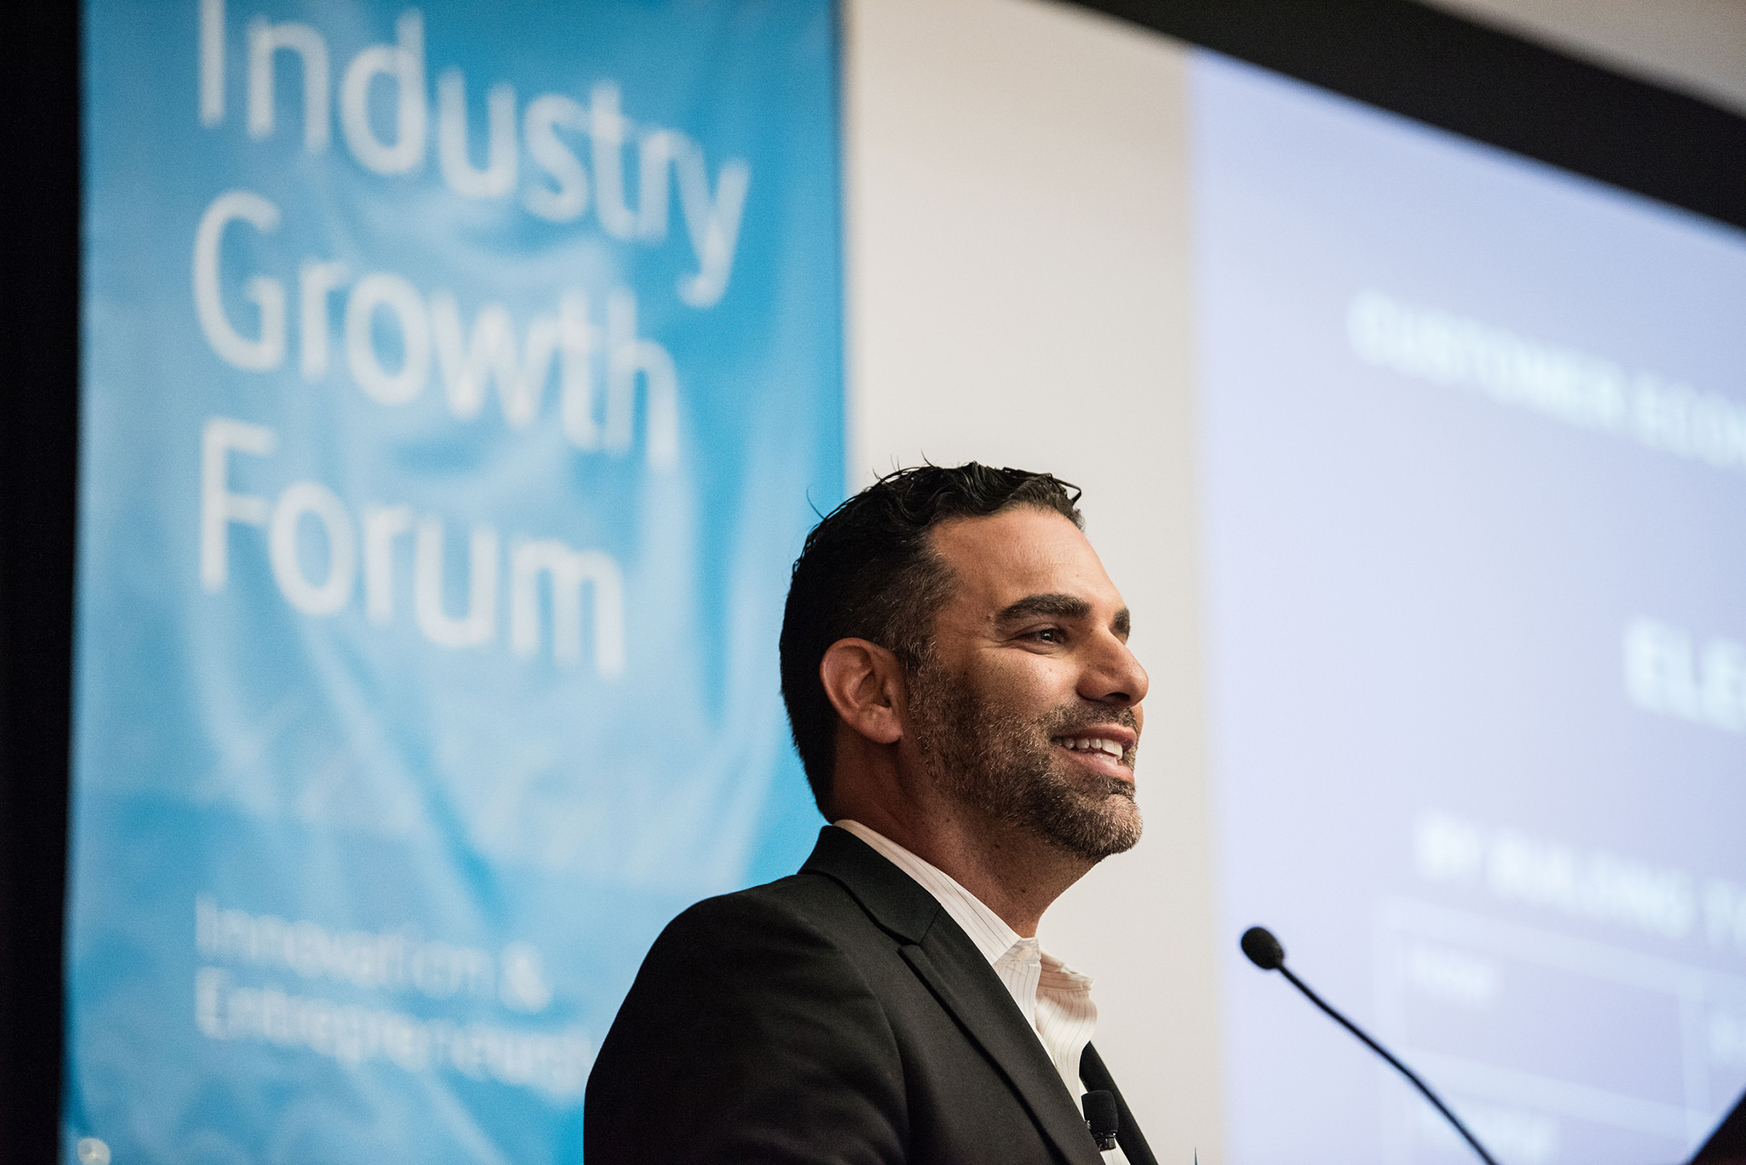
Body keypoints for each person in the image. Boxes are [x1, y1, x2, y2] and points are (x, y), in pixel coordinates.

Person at [585, 464, 1157, 1165]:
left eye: (1118, 634)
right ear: (873, 691)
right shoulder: (771, 973)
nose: (1130, 678)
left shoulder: (1044, 1027)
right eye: (1045, 632)